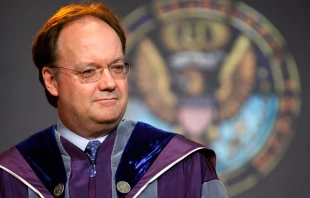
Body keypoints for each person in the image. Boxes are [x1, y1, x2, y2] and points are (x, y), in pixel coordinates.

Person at [0, 2, 227, 198]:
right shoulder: (12, 175)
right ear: (51, 80)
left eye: (117, 67)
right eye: (89, 71)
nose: (109, 83)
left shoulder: (184, 165)